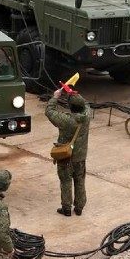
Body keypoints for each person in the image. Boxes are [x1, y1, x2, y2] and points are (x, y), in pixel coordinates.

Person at [45, 88, 91, 217]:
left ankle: (66, 208)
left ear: (70, 107)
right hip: (80, 157)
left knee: (65, 181)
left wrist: (55, 97)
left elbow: (49, 111)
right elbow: (86, 103)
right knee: (80, 181)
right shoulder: (87, 115)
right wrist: (75, 94)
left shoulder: (66, 120)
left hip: (66, 157)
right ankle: (79, 207)